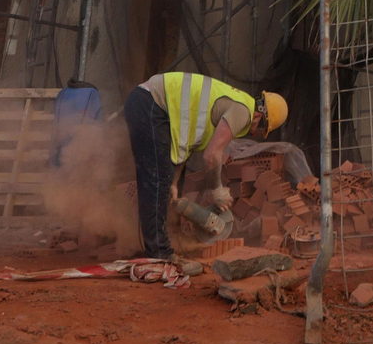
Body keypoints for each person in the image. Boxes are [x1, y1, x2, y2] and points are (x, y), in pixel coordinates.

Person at [123, 72, 288, 259]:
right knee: (158, 180)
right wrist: (217, 190)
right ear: (258, 116)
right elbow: (211, 156)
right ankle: (160, 254)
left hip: (152, 105)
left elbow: (185, 145)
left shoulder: (237, 104)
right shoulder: (243, 112)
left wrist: (175, 182)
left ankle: (165, 242)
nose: (257, 135)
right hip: (150, 103)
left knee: (165, 182)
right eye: (261, 130)